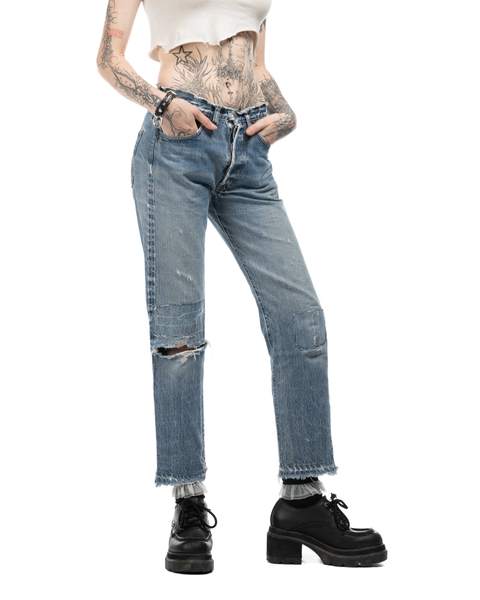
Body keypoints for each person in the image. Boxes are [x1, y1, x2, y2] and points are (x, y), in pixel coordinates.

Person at [96, 0, 387, 574]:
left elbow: (256, 61)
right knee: (179, 333)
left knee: (300, 319)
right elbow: (109, 57)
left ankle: (301, 502)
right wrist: (163, 104)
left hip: (249, 154)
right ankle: (188, 503)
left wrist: (285, 112)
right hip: (176, 145)